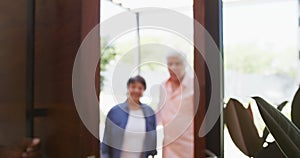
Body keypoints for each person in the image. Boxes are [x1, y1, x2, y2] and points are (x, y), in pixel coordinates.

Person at [101, 75, 157, 158]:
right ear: (128, 88)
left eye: (140, 88)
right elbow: (106, 139)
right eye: (133, 87)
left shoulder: (149, 112)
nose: (136, 90)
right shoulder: (115, 112)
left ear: (143, 90)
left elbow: (152, 137)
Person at [157, 52, 194, 158]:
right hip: (168, 145)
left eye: (177, 64)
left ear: (185, 65)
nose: (173, 67)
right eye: (170, 64)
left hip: (188, 147)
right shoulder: (163, 86)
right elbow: (159, 113)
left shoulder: (194, 86)